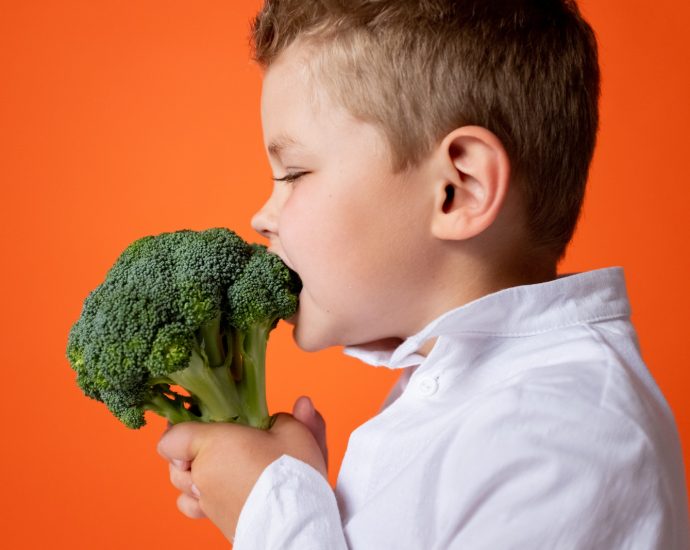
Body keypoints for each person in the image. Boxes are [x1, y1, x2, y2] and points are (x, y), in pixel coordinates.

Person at [157, 1, 690, 547]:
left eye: (294, 173)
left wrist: (273, 511)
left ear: (458, 187)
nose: (261, 218)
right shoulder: (458, 394)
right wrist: (301, 488)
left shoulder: (561, 440)